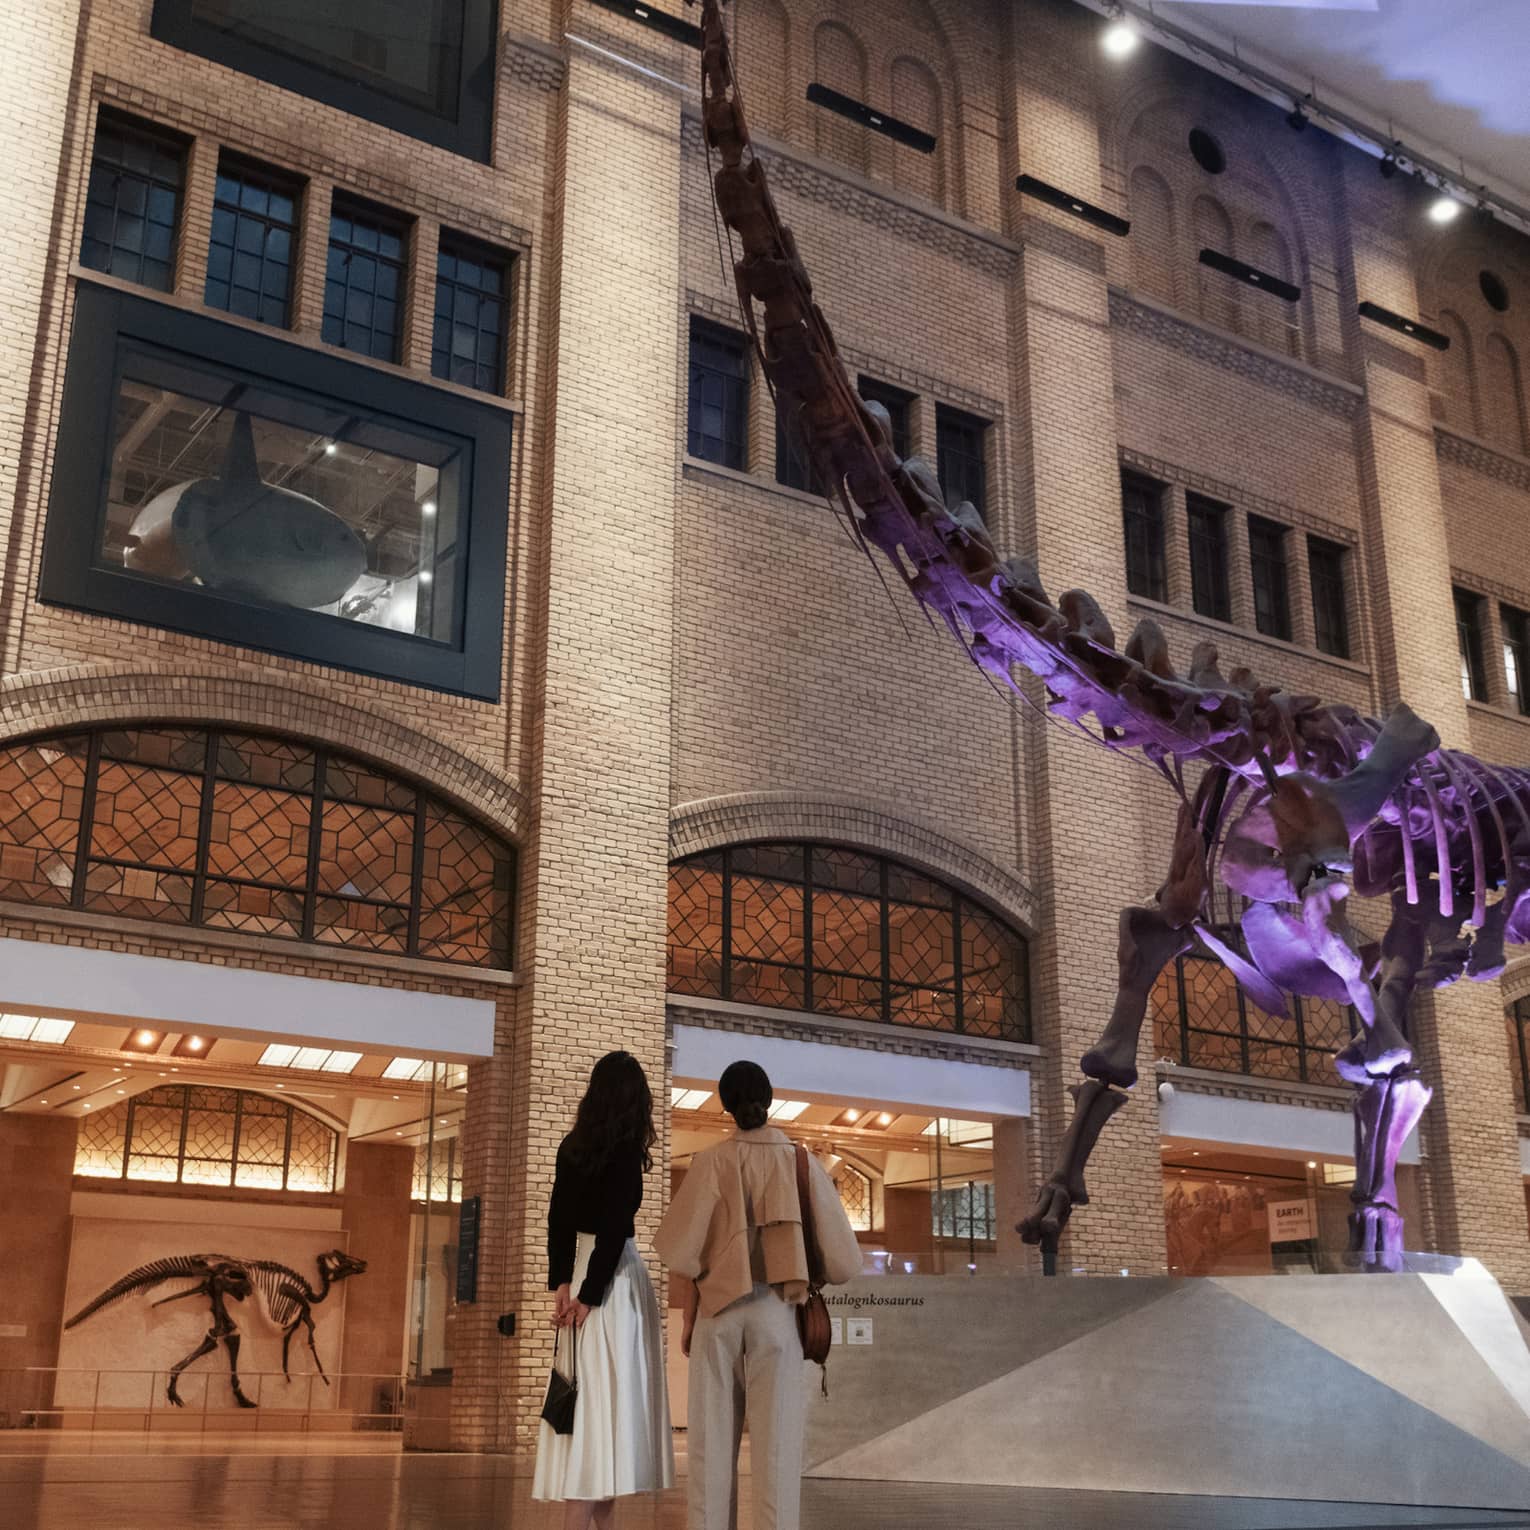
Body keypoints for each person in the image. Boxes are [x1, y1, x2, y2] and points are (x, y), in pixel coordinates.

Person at [655, 1061, 861, 1530]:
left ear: (726, 1105)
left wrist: (688, 1319)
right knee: (777, 1445)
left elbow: (686, 1255)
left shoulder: (710, 1161)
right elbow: (845, 1262)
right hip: (778, 1311)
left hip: (717, 1312)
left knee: (708, 1445)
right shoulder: (801, 1162)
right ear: (768, 1099)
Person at [533, 1051, 674, 1527]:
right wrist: (590, 1295)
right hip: (615, 1286)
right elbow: (616, 1232)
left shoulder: (572, 1146)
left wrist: (563, 1282)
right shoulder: (626, 1151)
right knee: (606, 1410)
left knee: (588, 1403)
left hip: (582, 1276)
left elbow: (559, 1221)